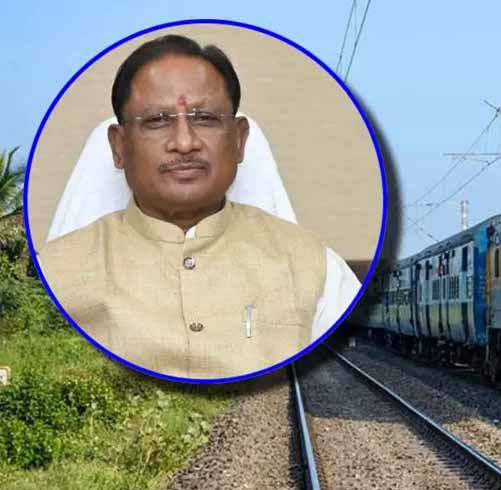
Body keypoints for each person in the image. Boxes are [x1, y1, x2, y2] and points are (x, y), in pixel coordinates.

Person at [38, 34, 362, 379]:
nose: (184, 142)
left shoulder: (318, 270)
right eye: (157, 120)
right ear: (119, 147)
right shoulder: (55, 273)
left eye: (205, 118)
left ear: (239, 139)